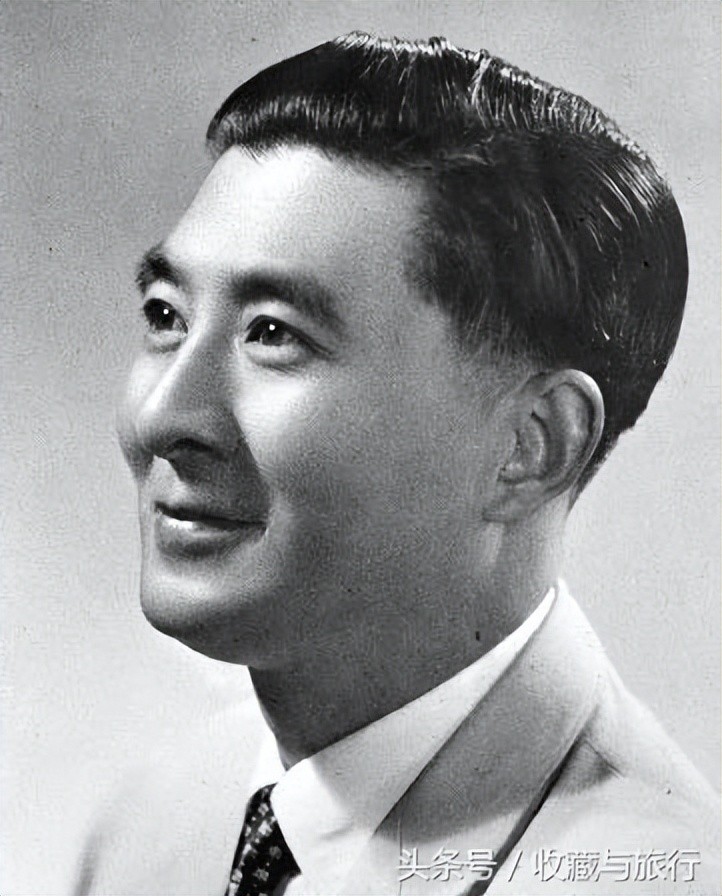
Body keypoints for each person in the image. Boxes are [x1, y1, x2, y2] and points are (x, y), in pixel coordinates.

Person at [74, 33, 718, 896]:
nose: (161, 416)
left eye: (274, 334)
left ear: (532, 444)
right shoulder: (151, 829)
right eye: (166, 316)